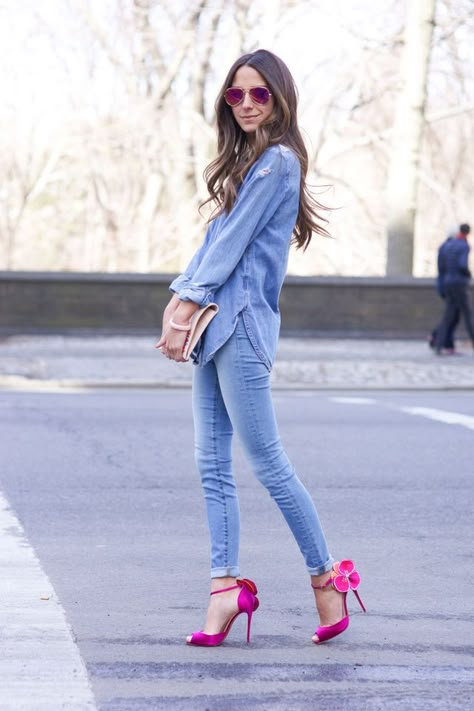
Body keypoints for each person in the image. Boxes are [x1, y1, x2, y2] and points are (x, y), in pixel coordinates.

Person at [157, 49, 365, 647]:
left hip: (240, 326)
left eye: (259, 94)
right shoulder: (247, 162)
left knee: (268, 462)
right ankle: (225, 588)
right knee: (210, 463)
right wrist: (183, 301)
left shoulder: (277, 162)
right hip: (214, 327)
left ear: (280, 98)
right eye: (236, 95)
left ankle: (326, 576)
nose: (246, 104)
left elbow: (233, 247)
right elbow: (213, 243)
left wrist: (185, 301)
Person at [435, 223, 474, 355]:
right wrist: (468, 274)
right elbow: (462, 264)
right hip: (459, 283)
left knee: (448, 315)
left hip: (448, 282)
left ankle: (439, 345)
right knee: (468, 314)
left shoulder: (449, 245)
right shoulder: (464, 245)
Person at [429, 234, 460, 353]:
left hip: (444, 284)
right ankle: (443, 341)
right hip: (450, 286)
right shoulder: (452, 248)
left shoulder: (444, 247)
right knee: (451, 316)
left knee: (452, 315)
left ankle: (440, 338)